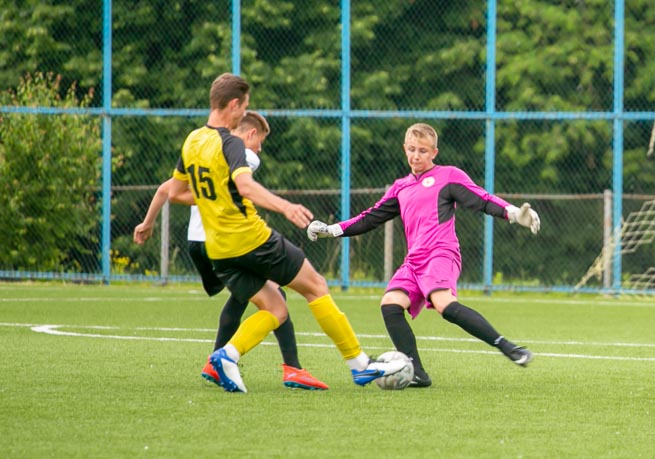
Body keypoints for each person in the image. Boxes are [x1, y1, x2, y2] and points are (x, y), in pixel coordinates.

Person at [168, 73, 406, 393]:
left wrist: (217, 199)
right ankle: (359, 364)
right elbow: (246, 185)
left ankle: (227, 356)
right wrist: (285, 207)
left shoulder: (193, 140)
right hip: (251, 239)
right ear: (234, 104)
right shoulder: (231, 143)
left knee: (275, 308)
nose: (244, 113)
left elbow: (176, 194)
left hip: (219, 249)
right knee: (316, 286)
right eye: (245, 107)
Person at [307, 122, 541, 388]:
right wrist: (332, 230)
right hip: (414, 261)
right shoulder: (400, 187)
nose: (416, 156)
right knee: (390, 304)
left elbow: (482, 199)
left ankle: (508, 347)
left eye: (422, 150)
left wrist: (513, 214)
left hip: (441, 253)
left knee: (444, 305)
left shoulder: (448, 176)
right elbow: (369, 218)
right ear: (405, 149)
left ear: (434, 153)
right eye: (411, 149)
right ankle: (416, 372)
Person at [133, 111, 328, 390]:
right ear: (249, 134)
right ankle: (291, 369)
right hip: (222, 242)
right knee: (274, 295)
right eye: (260, 140)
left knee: (248, 295)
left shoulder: (203, 149)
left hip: (198, 243)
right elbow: (244, 188)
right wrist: (283, 207)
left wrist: (147, 222)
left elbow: (168, 188)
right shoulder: (245, 156)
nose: (260, 149)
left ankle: (219, 364)